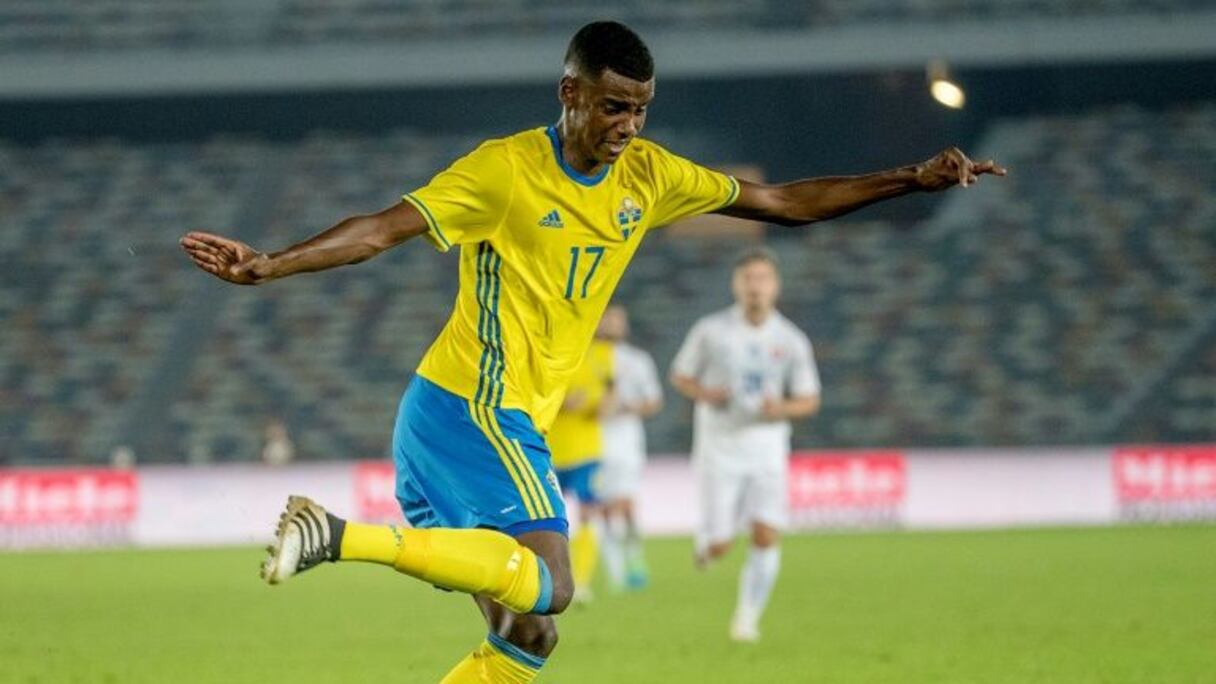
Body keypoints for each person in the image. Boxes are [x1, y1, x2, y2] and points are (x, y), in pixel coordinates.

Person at [180, 19, 1004, 683]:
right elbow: (384, 229)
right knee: (558, 585)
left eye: (640, 109)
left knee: (526, 637)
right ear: (570, 93)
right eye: (613, 107)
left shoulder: (647, 176)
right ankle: (335, 533)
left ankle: (350, 542)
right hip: (472, 407)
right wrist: (272, 263)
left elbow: (783, 201)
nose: (628, 126)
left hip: (470, 417)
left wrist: (909, 178)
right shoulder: (504, 171)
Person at [670, 248, 821, 643]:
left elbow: (809, 398)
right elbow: (681, 375)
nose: (755, 286)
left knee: (766, 533)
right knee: (721, 545)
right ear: (736, 284)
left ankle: (747, 618)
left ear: (775, 286)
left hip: (767, 446)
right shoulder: (711, 330)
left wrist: (782, 407)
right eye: (748, 279)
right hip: (719, 447)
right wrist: (705, 393)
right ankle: (708, 545)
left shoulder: (791, 339)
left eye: (763, 279)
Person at [595, 304, 662, 591]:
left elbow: (653, 400)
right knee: (604, 506)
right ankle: (616, 571)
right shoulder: (584, 359)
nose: (611, 324)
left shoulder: (638, 360)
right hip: (595, 437)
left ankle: (634, 557)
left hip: (627, 437)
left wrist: (631, 406)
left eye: (616, 320)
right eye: (606, 319)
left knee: (627, 502)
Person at [546, 335, 613, 603]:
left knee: (588, 512)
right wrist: (561, 404)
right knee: (549, 518)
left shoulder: (602, 353)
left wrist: (599, 407)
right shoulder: (549, 349)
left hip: (587, 451)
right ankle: (550, 579)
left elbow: (609, 394)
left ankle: (581, 581)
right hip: (550, 452)